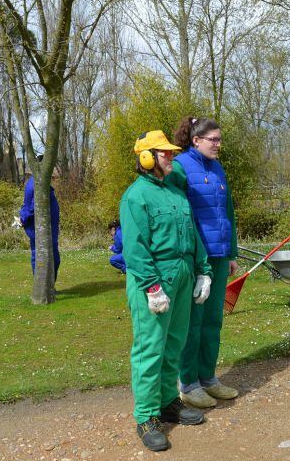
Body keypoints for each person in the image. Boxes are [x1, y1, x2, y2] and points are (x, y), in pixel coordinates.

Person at [120, 130, 213, 452]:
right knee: (150, 349)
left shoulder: (175, 193)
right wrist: (152, 286)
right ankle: (146, 417)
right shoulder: (136, 196)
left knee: (174, 343)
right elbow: (135, 248)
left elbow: (193, 235)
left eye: (172, 153)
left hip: (183, 274)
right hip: (155, 279)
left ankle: (167, 402)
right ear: (147, 158)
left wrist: (203, 271)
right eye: (165, 153)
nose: (172, 157)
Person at [168, 116, 240, 409]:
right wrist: (196, 260)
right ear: (196, 140)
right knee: (193, 323)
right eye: (213, 139)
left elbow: (228, 211)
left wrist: (232, 252)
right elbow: (179, 213)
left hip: (220, 254)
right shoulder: (182, 166)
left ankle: (208, 378)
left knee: (213, 320)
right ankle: (188, 383)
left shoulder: (218, 167)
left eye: (219, 139)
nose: (218, 144)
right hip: (198, 258)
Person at [19, 167, 60, 281]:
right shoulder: (38, 185)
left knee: (46, 258)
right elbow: (32, 207)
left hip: (46, 229)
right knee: (47, 259)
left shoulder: (38, 182)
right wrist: (23, 218)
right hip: (42, 231)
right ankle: (44, 287)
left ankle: (46, 286)